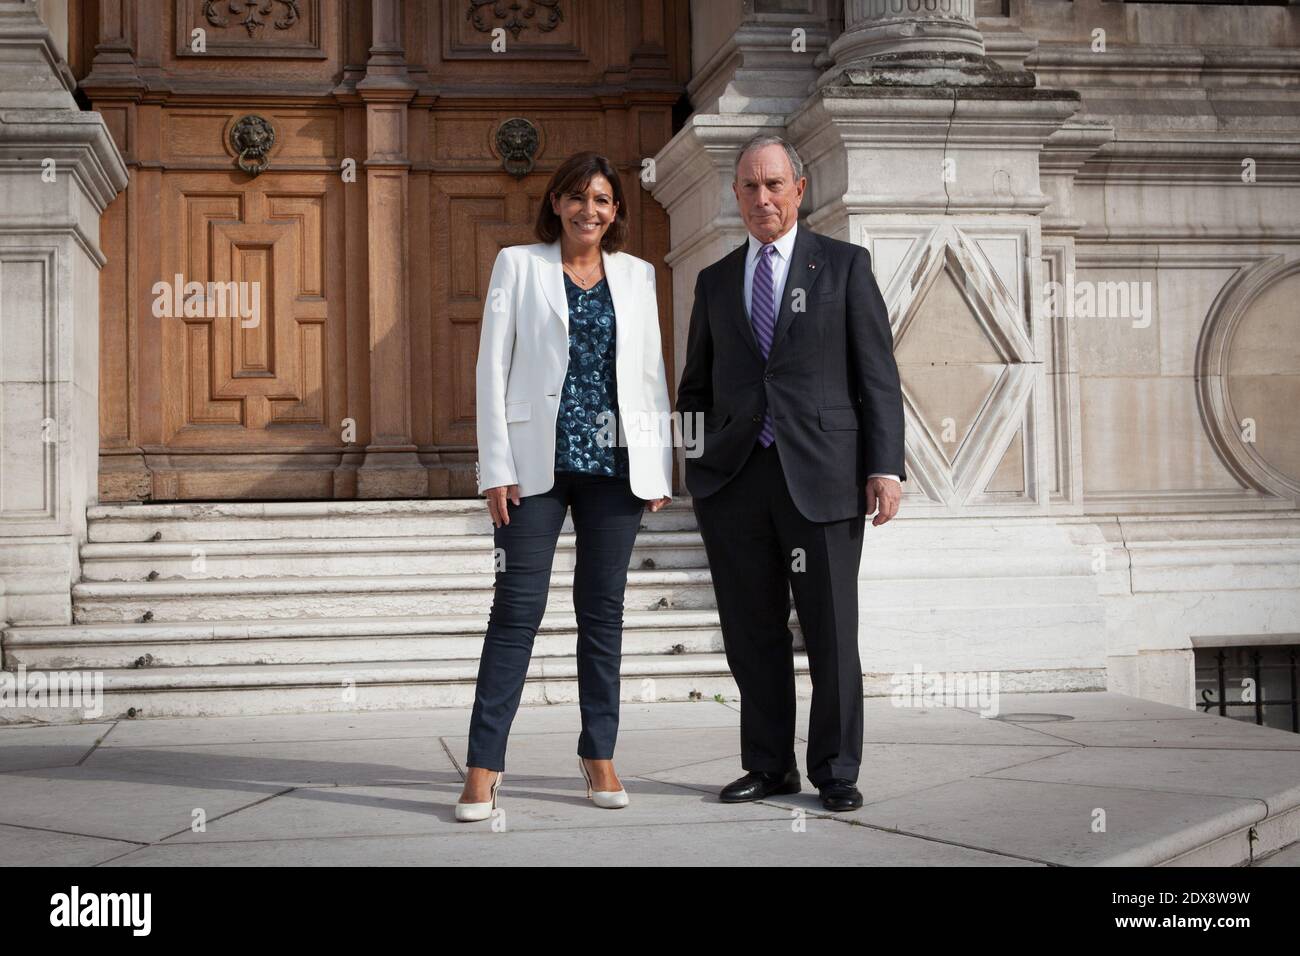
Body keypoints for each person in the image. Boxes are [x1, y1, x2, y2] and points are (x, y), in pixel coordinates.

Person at [676, 134, 905, 812]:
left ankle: (836, 769)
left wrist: (884, 467)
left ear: (800, 191)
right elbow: (695, 389)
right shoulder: (715, 281)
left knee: (832, 633)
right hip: (736, 485)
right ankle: (769, 765)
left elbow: (878, 379)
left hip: (824, 478)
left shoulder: (845, 267)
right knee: (752, 634)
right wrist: (697, 463)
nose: (762, 198)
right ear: (736, 194)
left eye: (774, 184)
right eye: (749, 186)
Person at [456, 151, 674, 821]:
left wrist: (658, 463)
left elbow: (649, 373)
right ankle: (484, 766)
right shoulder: (518, 266)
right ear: (555, 203)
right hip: (534, 467)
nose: (590, 210)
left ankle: (598, 753)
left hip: (615, 469)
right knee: (515, 614)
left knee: (602, 614)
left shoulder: (637, 276)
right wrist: (495, 467)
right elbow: (492, 365)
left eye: (603, 200)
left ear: (617, 212)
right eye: (578, 197)